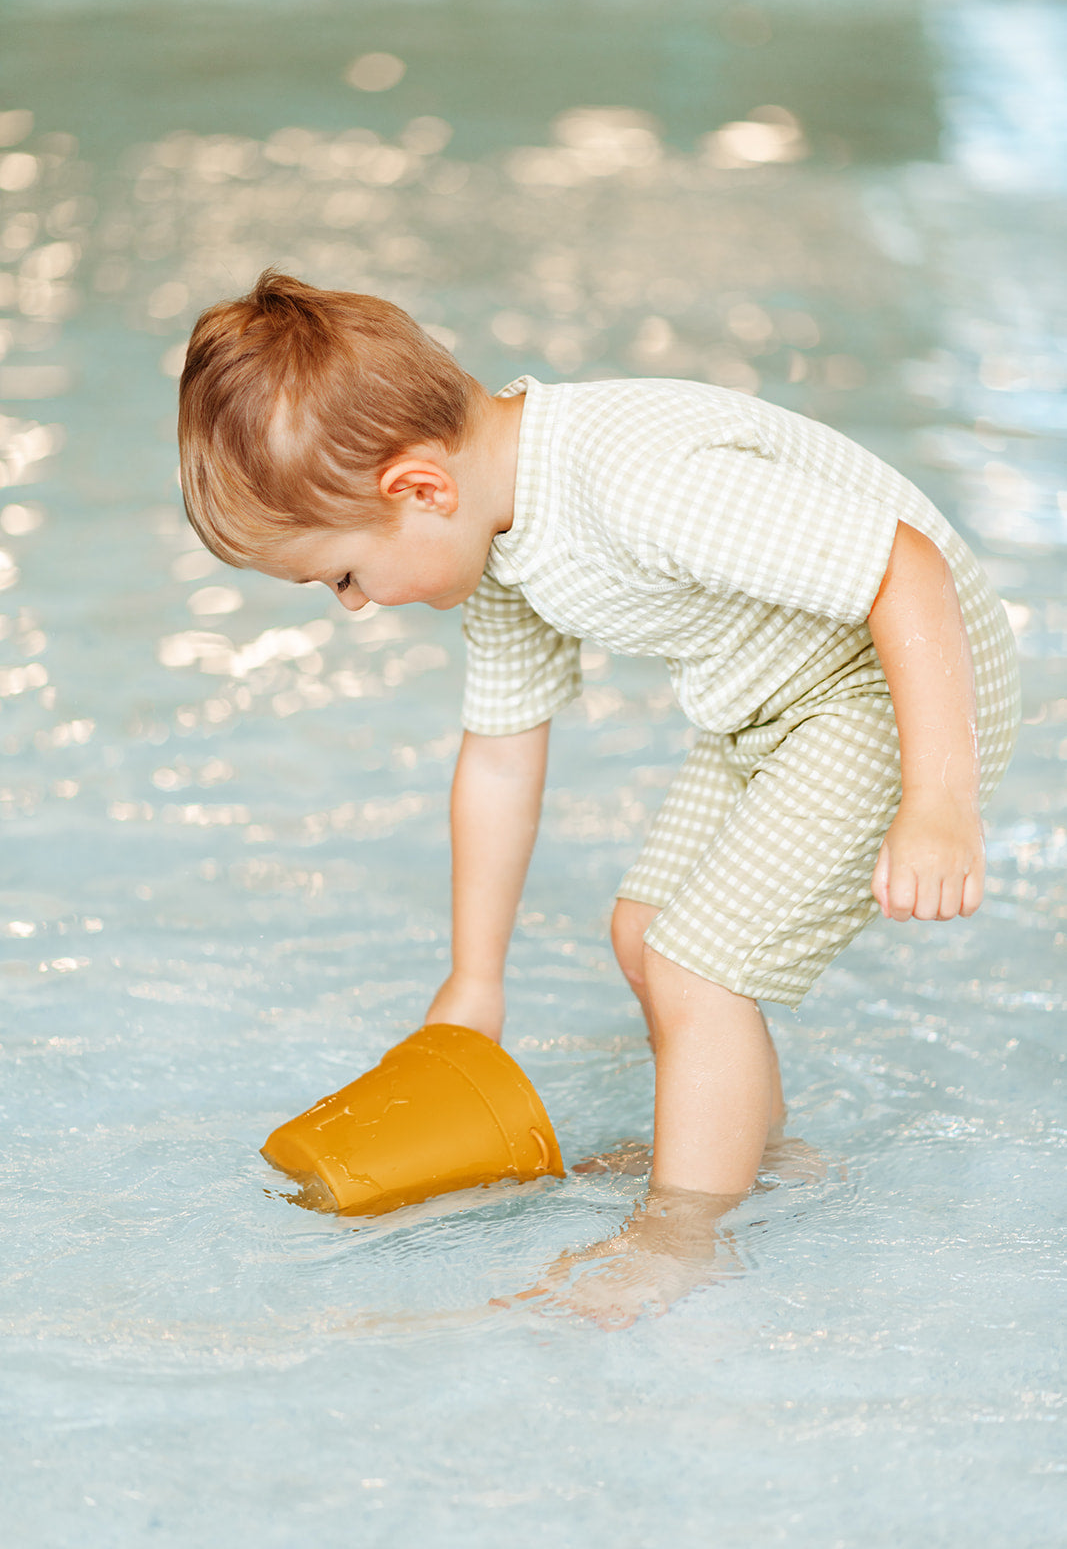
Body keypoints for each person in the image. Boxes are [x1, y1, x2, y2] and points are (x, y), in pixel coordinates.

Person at [178, 272, 1019, 1322]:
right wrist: (472, 981)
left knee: (692, 964)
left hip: (898, 685)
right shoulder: (498, 529)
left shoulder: (632, 481)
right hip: (779, 703)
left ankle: (684, 1232)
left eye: (340, 576)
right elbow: (497, 754)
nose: (352, 606)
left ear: (417, 489)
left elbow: (905, 568)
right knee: (645, 930)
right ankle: (749, 1153)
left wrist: (935, 800)